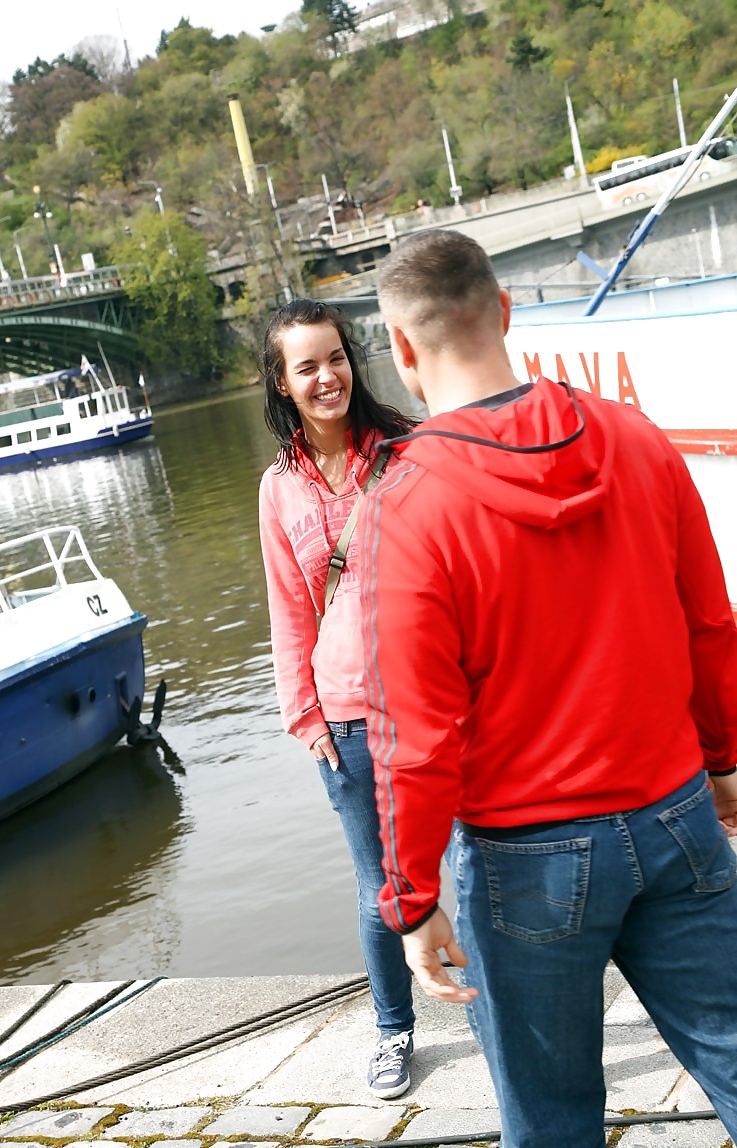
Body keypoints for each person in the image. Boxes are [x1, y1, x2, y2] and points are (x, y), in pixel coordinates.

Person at [361, 228, 737, 1147]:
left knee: (550, 1114)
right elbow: (710, 624)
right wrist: (724, 759)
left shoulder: (408, 504)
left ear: (402, 351)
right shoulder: (634, 437)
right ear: (505, 310)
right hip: (674, 809)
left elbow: (414, 736)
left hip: (527, 855)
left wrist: (411, 901)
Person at [258, 297, 417, 1098]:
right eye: (307, 366)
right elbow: (289, 608)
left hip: (430, 705)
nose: (329, 377)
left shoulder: (408, 451)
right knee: (377, 887)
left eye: (337, 357)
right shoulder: (278, 489)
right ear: (283, 384)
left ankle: (502, 1016)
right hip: (346, 714)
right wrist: (305, 715)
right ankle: (395, 1030)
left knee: (468, 874)